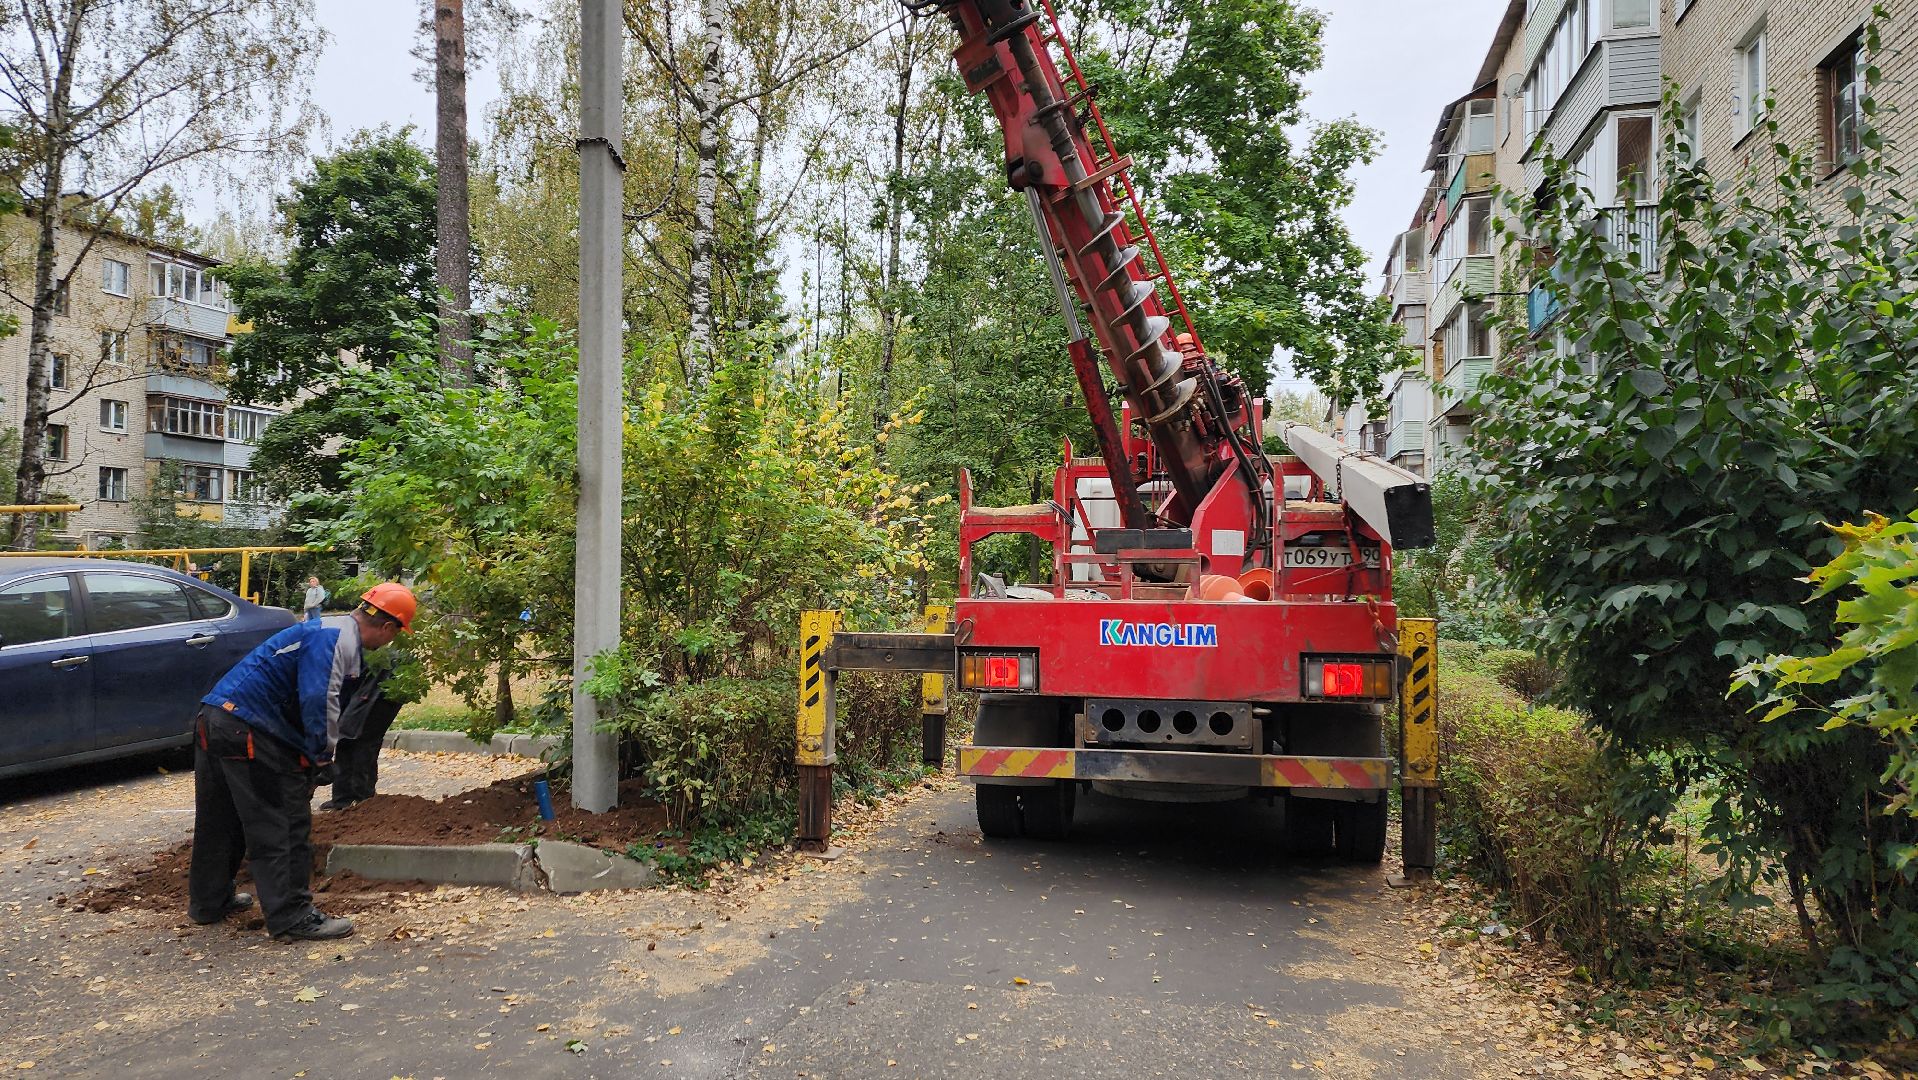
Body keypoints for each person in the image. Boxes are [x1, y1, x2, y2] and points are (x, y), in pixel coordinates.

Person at [186, 583, 417, 941]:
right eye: (395, 634)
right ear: (388, 627)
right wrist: (323, 756)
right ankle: (292, 915)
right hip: (249, 730)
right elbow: (319, 699)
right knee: (283, 824)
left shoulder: (325, 629)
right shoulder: (336, 640)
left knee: (221, 819)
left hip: (216, 719)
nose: (389, 642)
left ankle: (209, 902)